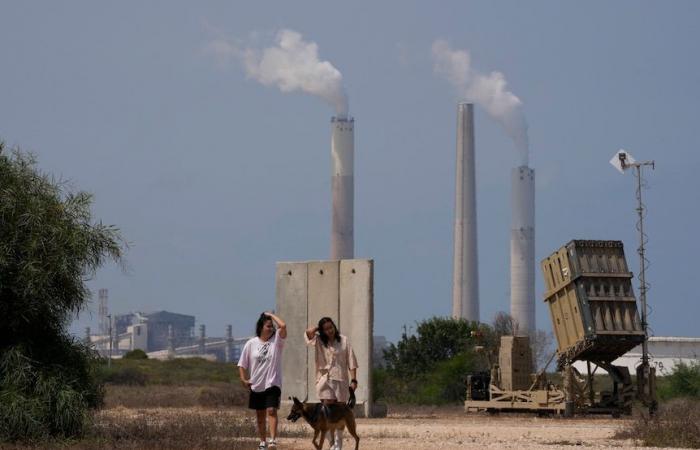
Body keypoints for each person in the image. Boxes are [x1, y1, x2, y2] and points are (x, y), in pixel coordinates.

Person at [305, 317, 358, 450]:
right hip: (324, 380)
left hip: (341, 380)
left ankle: (338, 444)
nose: (330, 331)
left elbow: (351, 361)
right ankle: (331, 444)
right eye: (326, 329)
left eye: (331, 327)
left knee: (340, 412)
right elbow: (308, 333)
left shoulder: (344, 340)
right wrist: (318, 327)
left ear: (335, 326)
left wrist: (354, 380)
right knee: (327, 412)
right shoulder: (318, 340)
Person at [238, 312, 286, 449]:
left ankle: (272, 441)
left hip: (272, 382)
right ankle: (262, 442)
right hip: (256, 384)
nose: (271, 328)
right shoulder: (251, 344)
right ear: (261, 326)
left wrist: (270, 314)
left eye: (272, 326)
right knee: (260, 415)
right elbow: (242, 364)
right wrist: (243, 379)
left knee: (271, 410)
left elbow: (283, 325)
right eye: (268, 326)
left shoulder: (277, 340)